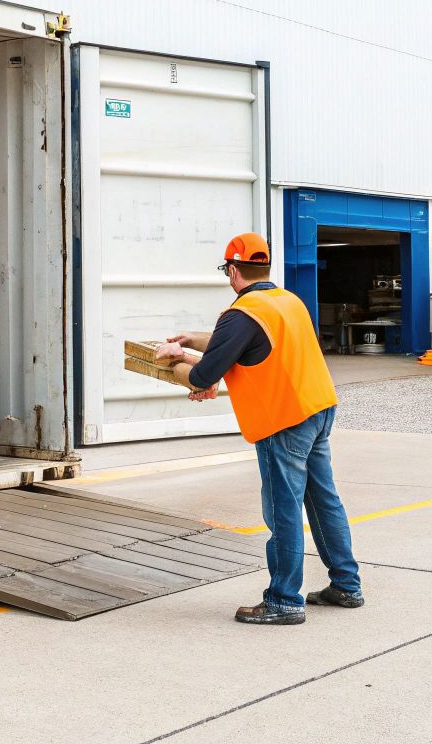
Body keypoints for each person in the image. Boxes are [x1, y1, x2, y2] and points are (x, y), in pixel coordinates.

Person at [152, 232, 365, 626]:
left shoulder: (241, 314)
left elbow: (203, 375)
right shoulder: (286, 302)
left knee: (283, 509)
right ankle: (346, 585)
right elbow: (245, 342)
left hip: (282, 420)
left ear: (232, 271)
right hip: (317, 409)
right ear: (264, 269)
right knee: (322, 499)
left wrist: (176, 357)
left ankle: (284, 599)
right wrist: (194, 338)